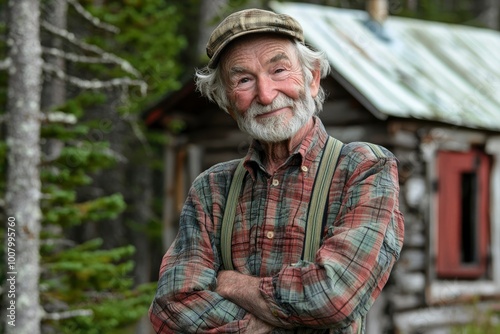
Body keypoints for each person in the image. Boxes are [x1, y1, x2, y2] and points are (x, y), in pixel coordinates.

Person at [149, 8, 404, 334]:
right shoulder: (212, 188)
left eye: (279, 70)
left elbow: (334, 298)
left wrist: (232, 283)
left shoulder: (364, 169)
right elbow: (171, 309)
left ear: (312, 79)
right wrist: (274, 324)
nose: (266, 94)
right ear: (228, 103)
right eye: (243, 80)